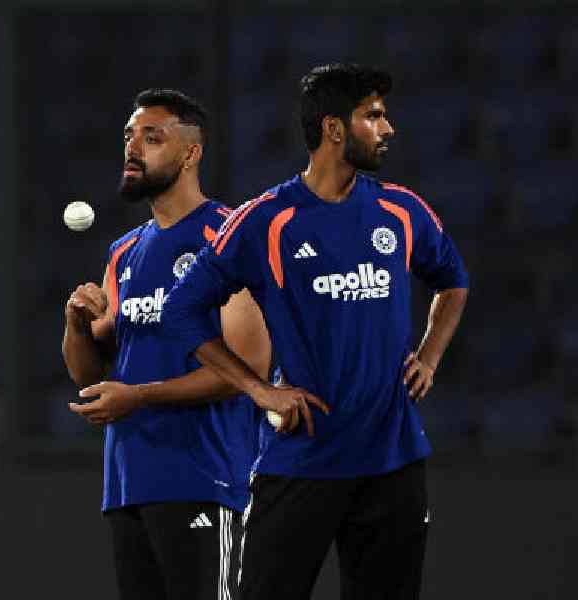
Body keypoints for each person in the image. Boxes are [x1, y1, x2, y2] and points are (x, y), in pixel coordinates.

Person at [161, 64, 469, 599]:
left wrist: (429, 356)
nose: (387, 128)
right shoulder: (265, 220)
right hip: (300, 458)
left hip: (392, 463)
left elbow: (453, 280)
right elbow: (182, 311)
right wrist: (259, 389)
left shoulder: (400, 210)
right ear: (333, 129)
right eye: (373, 116)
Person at [61, 88, 271, 600]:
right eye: (129, 137)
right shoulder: (125, 251)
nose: (134, 148)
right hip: (130, 485)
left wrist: (137, 396)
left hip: (206, 478)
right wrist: (74, 323)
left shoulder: (228, 238)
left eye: (152, 138)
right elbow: (89, 378)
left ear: (190, 153)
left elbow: (246, 370)